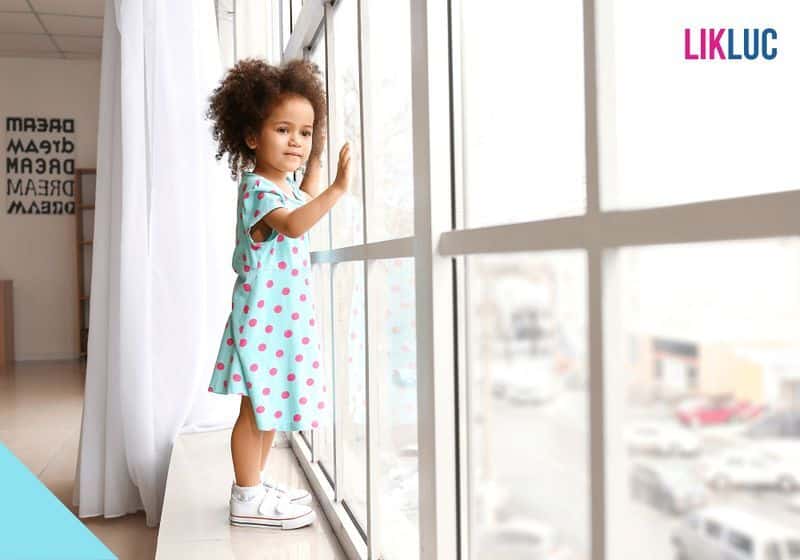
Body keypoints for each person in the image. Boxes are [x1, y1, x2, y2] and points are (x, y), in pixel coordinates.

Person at [204, 57, 351, 529]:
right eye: (284, 130)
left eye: (304, 133)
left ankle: (255, 484)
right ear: (251, 137)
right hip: (261, 321)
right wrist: (338, 189)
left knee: (266, 410)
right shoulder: (259, 191)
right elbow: (293, 222)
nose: (297, 142)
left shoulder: (281, 185)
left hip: (278, 319)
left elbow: (301, 194)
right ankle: (245, 495)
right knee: (254, 411)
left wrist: (318, 156)